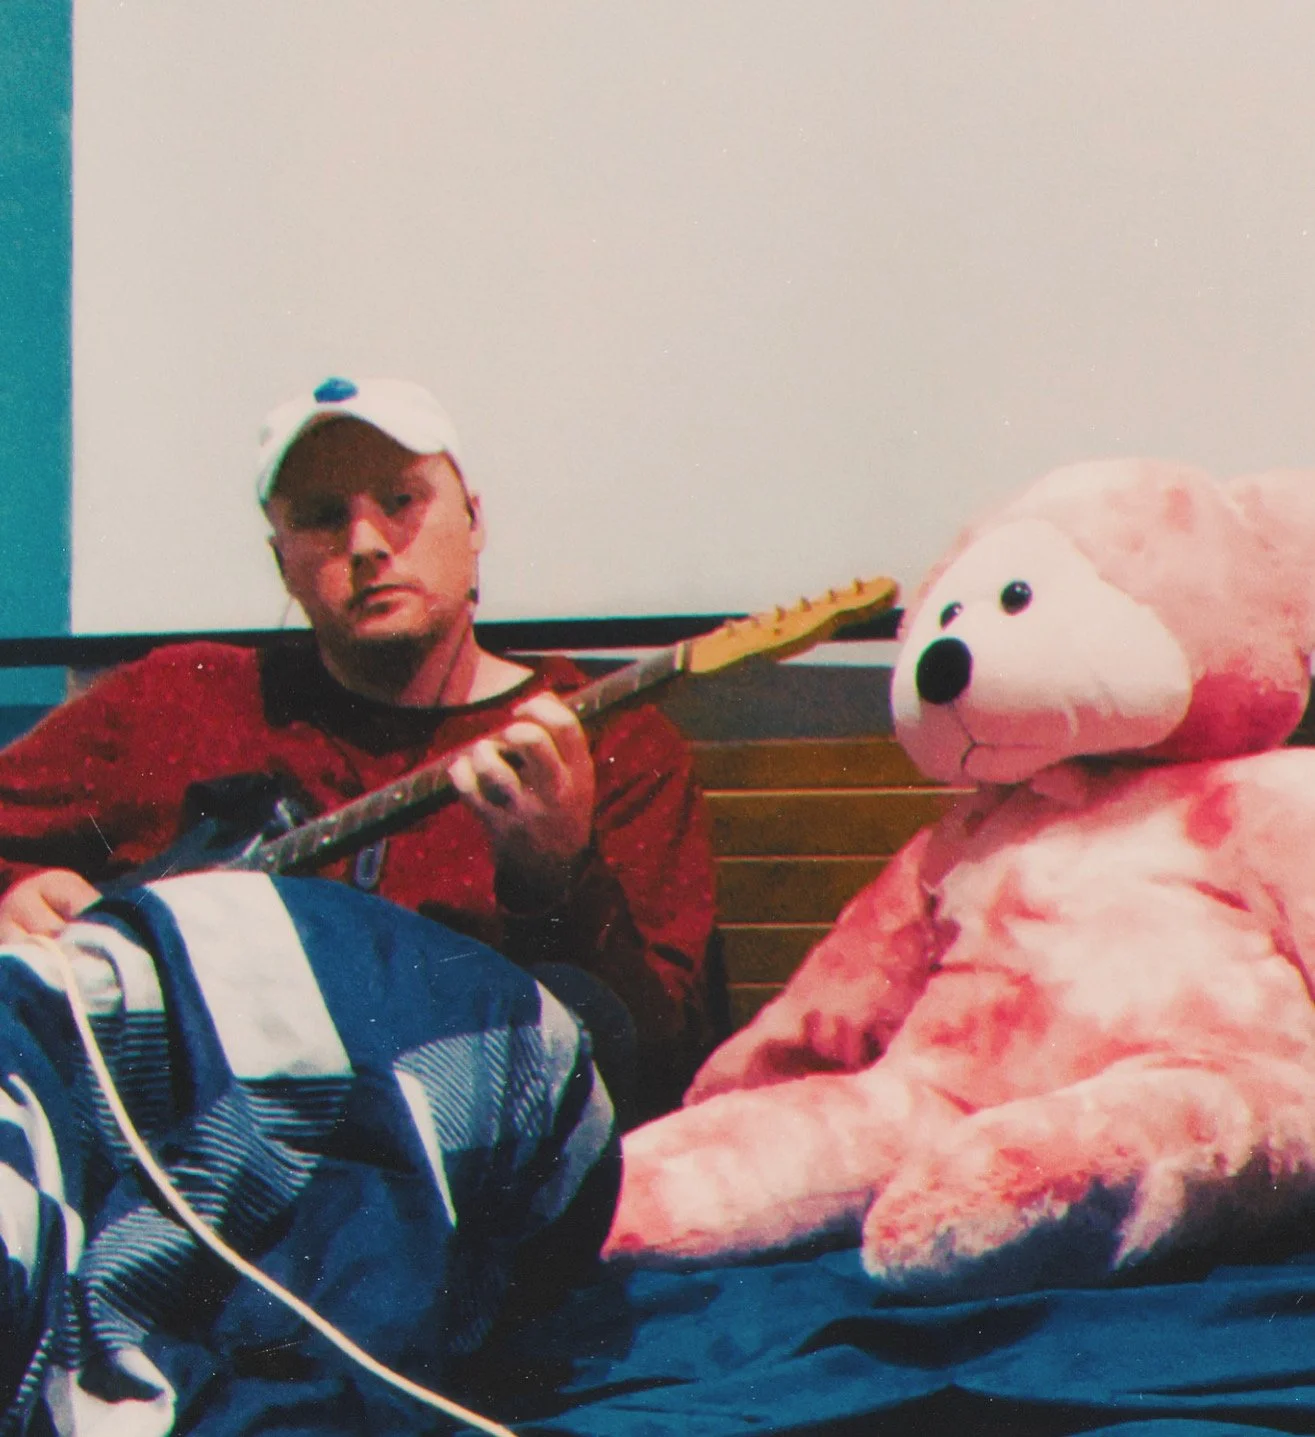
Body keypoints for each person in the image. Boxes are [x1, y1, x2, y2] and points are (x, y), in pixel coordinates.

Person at [0, 376, 716, 1118]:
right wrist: (16, 894)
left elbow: (661, 1065)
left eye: (400, 501)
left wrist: (556, 882)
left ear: (474, 521)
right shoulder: (178, 701)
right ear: (282, 562)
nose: (366, 544)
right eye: (322, 517)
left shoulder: (610, 742)